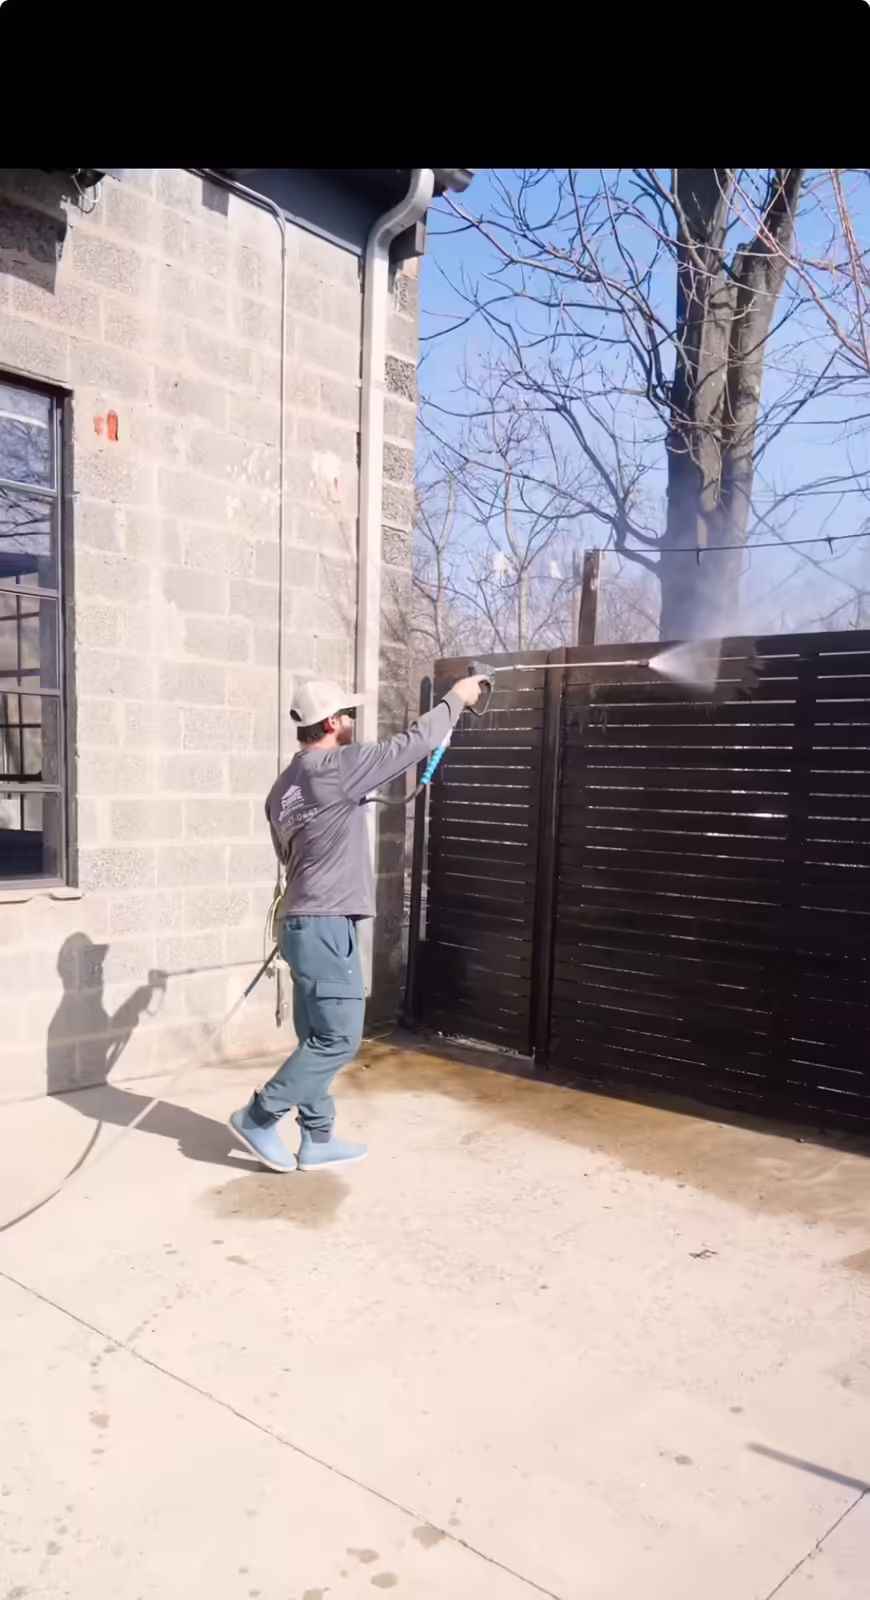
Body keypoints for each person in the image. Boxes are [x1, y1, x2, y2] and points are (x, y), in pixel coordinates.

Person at [229, 673, 485, 1173]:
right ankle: (259, 1117)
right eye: (346, 715)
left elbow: (291, 855)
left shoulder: (282, 788)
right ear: (329, 724)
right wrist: (459, 698)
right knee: (339, 1039)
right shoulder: (339, 765)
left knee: (315, 1038)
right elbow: (413, 743)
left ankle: (318, 1139)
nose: (351, 722)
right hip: (326, 927)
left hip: (300, 926)